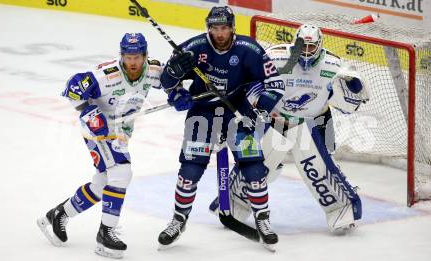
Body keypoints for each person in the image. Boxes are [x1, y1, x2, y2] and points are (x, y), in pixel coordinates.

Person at [211, 24, 369, 233]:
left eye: (311, 47)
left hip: (315, 121)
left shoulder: (333, 67)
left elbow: (351, 106)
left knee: (319, 168)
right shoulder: (275, 59)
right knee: (258, 162)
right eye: (302, 46)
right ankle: (236, 202)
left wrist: (354, 86)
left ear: (319, 46)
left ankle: (343, 208)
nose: (305, 51)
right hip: (276, 119)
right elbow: (252, 85)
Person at [157, 6, 284, 250]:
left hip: (238, 113)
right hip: (203, 113)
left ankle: (263, 219)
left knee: (254, 167)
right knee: (190, 170)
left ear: (232, 27)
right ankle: (178, 220)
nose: (220, 33)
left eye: (224, 28)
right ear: (209, 28)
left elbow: (275, 84)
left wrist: (260, 110)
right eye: (215, 28)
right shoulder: (194, 47)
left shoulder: (251, 50)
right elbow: (166, 82)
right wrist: (175, 83)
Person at [37, 33, 162, 259]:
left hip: (121, 132)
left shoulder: (153, 70)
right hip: (97, 130)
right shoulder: (106, 75)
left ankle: (58, 214)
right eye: (127, 56)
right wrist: (90, 113)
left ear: (145, 56)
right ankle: (106, 234)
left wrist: (180, 94)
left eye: (137, 57)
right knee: (121, 172)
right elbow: (72, 88)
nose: (132, 62)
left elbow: (172, 84)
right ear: (121, 55)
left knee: (103, 182)